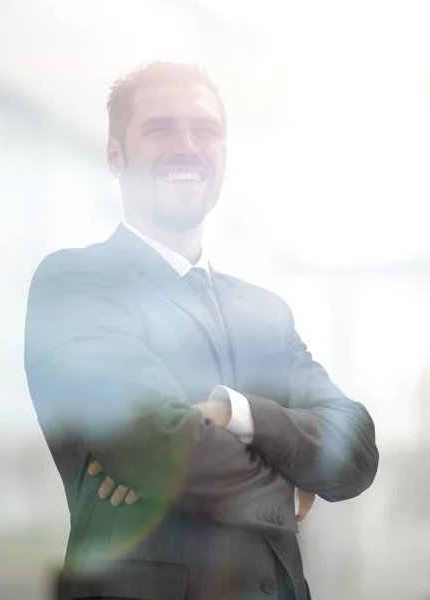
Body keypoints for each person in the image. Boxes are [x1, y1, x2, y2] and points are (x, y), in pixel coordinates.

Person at [24, 61, 379, 600]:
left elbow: (353, 449)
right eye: (160, 128)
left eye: (205, 130)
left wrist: (235, 413)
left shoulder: (266, 311)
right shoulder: (75, 282)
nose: (186, 145)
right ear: (116, 156)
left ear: (223, 157)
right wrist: (293, 492)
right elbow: (157, 446)